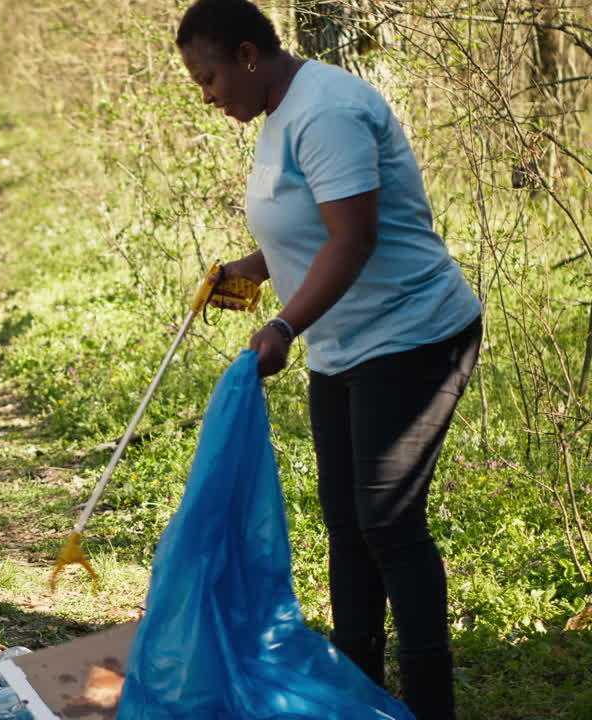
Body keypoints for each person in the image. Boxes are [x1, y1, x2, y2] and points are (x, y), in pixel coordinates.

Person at [175, 1, 483, 717]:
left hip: (414, 335)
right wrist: (254, 266)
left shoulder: (327, 112)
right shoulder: (277, 115)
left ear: (249, 55)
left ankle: (430, 703)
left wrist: (284, 323)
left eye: (210, 76)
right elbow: (310, 226)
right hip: (344, 343)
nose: (207, 93)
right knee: (346, 523)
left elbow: (354, 238)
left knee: (388, 522)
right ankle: (360, 691)